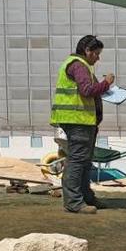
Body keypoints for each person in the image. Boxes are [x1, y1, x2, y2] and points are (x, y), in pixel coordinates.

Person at [50, 35, 115, 214]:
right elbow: (86, 90)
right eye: (96, 53)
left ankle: (86, 197)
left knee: (85, 161)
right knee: (78, 160)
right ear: (87, 51)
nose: (98, 58)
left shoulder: (80, 65)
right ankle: (73, 201)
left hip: (83, 120)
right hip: (76, 120)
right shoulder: (78, 65)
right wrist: (106, 83)